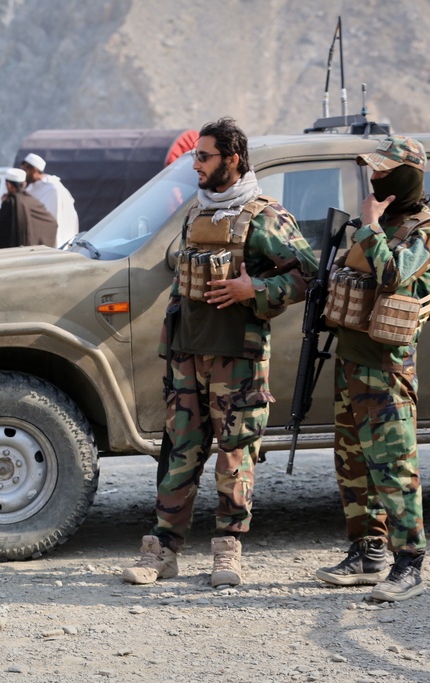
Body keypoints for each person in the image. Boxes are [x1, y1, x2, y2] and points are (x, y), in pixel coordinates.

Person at [122, 117, 317, 587]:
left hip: (238, 360)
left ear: (232, 159)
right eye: (195, 157)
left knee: (235, 456)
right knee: (180, 454)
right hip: (189, 356)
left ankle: (227, 552)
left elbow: (308, 274)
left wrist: (256, 288)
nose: (196, 166)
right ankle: (162, 551)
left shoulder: (265, 215)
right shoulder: (198, 210)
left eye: (204, 157)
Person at [315, 136, 430, 602]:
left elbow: (393, 275)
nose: (375, 177)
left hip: (387, 369)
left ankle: (409, 562)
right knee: (353, 464)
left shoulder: (429, 230)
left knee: (393, 466)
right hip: (352, 361)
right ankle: (367, 552)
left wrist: (370, 228)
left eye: (385, 170)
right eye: (372, 169)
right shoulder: (378, 222)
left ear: (409, 174)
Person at [0, 168, 58, 249]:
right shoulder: (32, 200)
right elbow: (52, 223)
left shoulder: (11, 202)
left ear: (9, 185)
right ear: (24, 184)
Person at [21, 152, 79, 247]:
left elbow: (55, 218)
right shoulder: (30, 188)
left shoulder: (53, 188)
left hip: (55, 239)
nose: (24, 174)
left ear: (34, 170)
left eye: (25, 170)